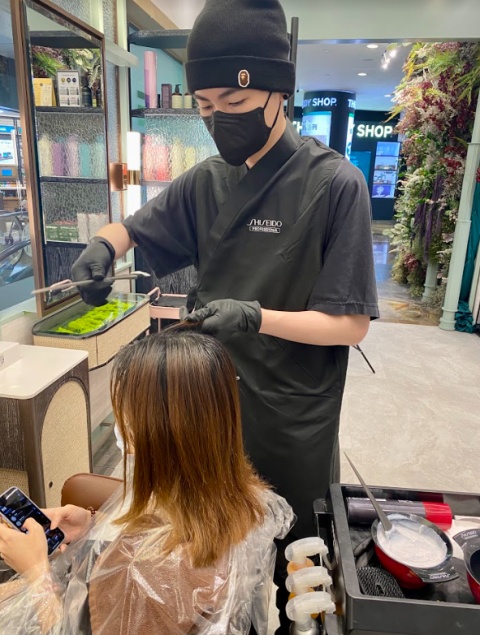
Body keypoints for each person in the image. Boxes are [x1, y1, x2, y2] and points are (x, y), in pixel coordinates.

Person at [70, 0, 378, 629]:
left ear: (278, 92)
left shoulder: (334, 186)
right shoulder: (207, 182)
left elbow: (351, 325)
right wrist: (102, 246)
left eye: (234, 103)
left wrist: (257, 317)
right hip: (209, 405)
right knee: (212, 558)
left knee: (297, 569)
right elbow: (134, 228)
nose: (220, 120)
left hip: (291, 411)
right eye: (207, 107)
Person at [0, 330, 294, 634]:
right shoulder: (248, 499)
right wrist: (92, 526)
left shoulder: (139, 572)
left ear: (153, 430)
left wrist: (37, 575)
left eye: (124, 413)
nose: (120, 425)